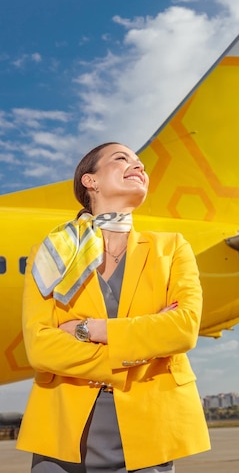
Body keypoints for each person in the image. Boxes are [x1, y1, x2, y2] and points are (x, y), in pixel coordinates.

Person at [17, 142, 211, 472]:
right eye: (122, 159)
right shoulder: (50, 254)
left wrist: (90, 330)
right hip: (63, 429)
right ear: (90, 181)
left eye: (141, 164)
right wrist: (144, 342)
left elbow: (183, 328)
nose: (139, 167)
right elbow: (40, 348)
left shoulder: (172, 248)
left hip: (149, 429)